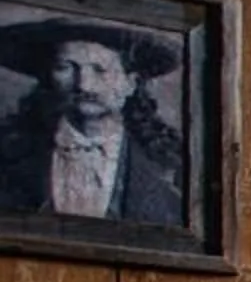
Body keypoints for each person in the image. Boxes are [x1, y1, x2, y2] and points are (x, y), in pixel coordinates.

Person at [0, 19, 187, 225]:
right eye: (66, 67)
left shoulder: (168, 167)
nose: (84, 85)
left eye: (100, 70)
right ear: (48, 79)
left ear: (129, 84)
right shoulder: (10, 155)